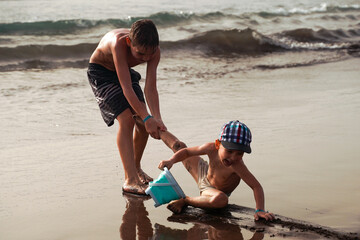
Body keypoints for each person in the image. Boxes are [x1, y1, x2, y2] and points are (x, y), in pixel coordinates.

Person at [87, 19, 166, 195]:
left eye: (149, 54)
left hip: (124, 73)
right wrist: (147, 117)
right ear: (130, 42)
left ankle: (136, 168)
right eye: (140, 54)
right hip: (101, 73)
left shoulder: (155, 52)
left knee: (142, 124)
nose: (145, 58)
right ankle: (130, 180)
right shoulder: (118, 44)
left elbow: (151, 87)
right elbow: (126, 88)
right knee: (127, 120)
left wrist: (156, 118)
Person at [158, 120, 275, 221]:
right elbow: (187, 152)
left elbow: (256, 187)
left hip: (212, 191)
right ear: (218, 144)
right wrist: (171, 161)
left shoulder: (237, 165)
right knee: (180, 146)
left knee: (222, 200)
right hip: (203, 172)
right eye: (229, 151)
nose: (233, 157)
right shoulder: (211, 148)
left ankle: (186, 200)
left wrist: (260, 210)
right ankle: (155, 127)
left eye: (240, 153)